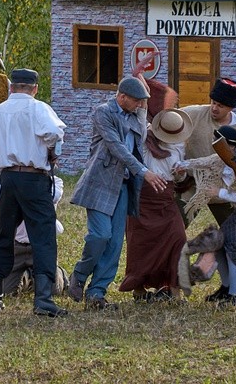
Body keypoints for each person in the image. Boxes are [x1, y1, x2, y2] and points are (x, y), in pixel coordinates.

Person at [68, 72, 168, 310]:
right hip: (100, 184)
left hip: (124, 186)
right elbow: (117, 148)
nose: (140, 105)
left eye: (142, 101)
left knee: (114, 244)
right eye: (137, 100)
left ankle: (97, 293)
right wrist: (144, 172)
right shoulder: (104, 112)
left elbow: (140, 141)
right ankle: (80, 275)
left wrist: (143, 107)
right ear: (122, 97)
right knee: (99, 236)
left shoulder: (136, 114)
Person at [179, 78, 236, 304]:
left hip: (226, 191)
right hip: (193, 188)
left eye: (220, 105)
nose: (214, 107)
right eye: (212, 102)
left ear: (231, 108)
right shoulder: (192, 113)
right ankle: (168, 284)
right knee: (172, 229)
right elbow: (170, 122)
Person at [0, 68, 67, 317]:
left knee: (4, 234)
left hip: (8, 177)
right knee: (43, 237)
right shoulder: (38, 108)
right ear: (34, 88)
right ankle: (43, 299)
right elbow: (55, 132)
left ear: (11, 87)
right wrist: (53, 151)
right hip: (33, 177)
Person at [118, 108, 193, 303]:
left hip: (166, 198)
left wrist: (180, 173)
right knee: (140, 243)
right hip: (143, 196)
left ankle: (174, 290)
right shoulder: (144, 139)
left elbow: (180, 176)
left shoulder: (178, 146)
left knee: (178, 238)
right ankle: (139, 289)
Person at [0, 177, 68, 297]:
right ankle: (28, 277)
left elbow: (53, 196)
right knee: (6, 292)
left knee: (53, 292)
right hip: (17, 245)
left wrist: (17, 193)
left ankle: (59, 273)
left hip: (41, 247)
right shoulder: (11, 176)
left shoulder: (55, 181)